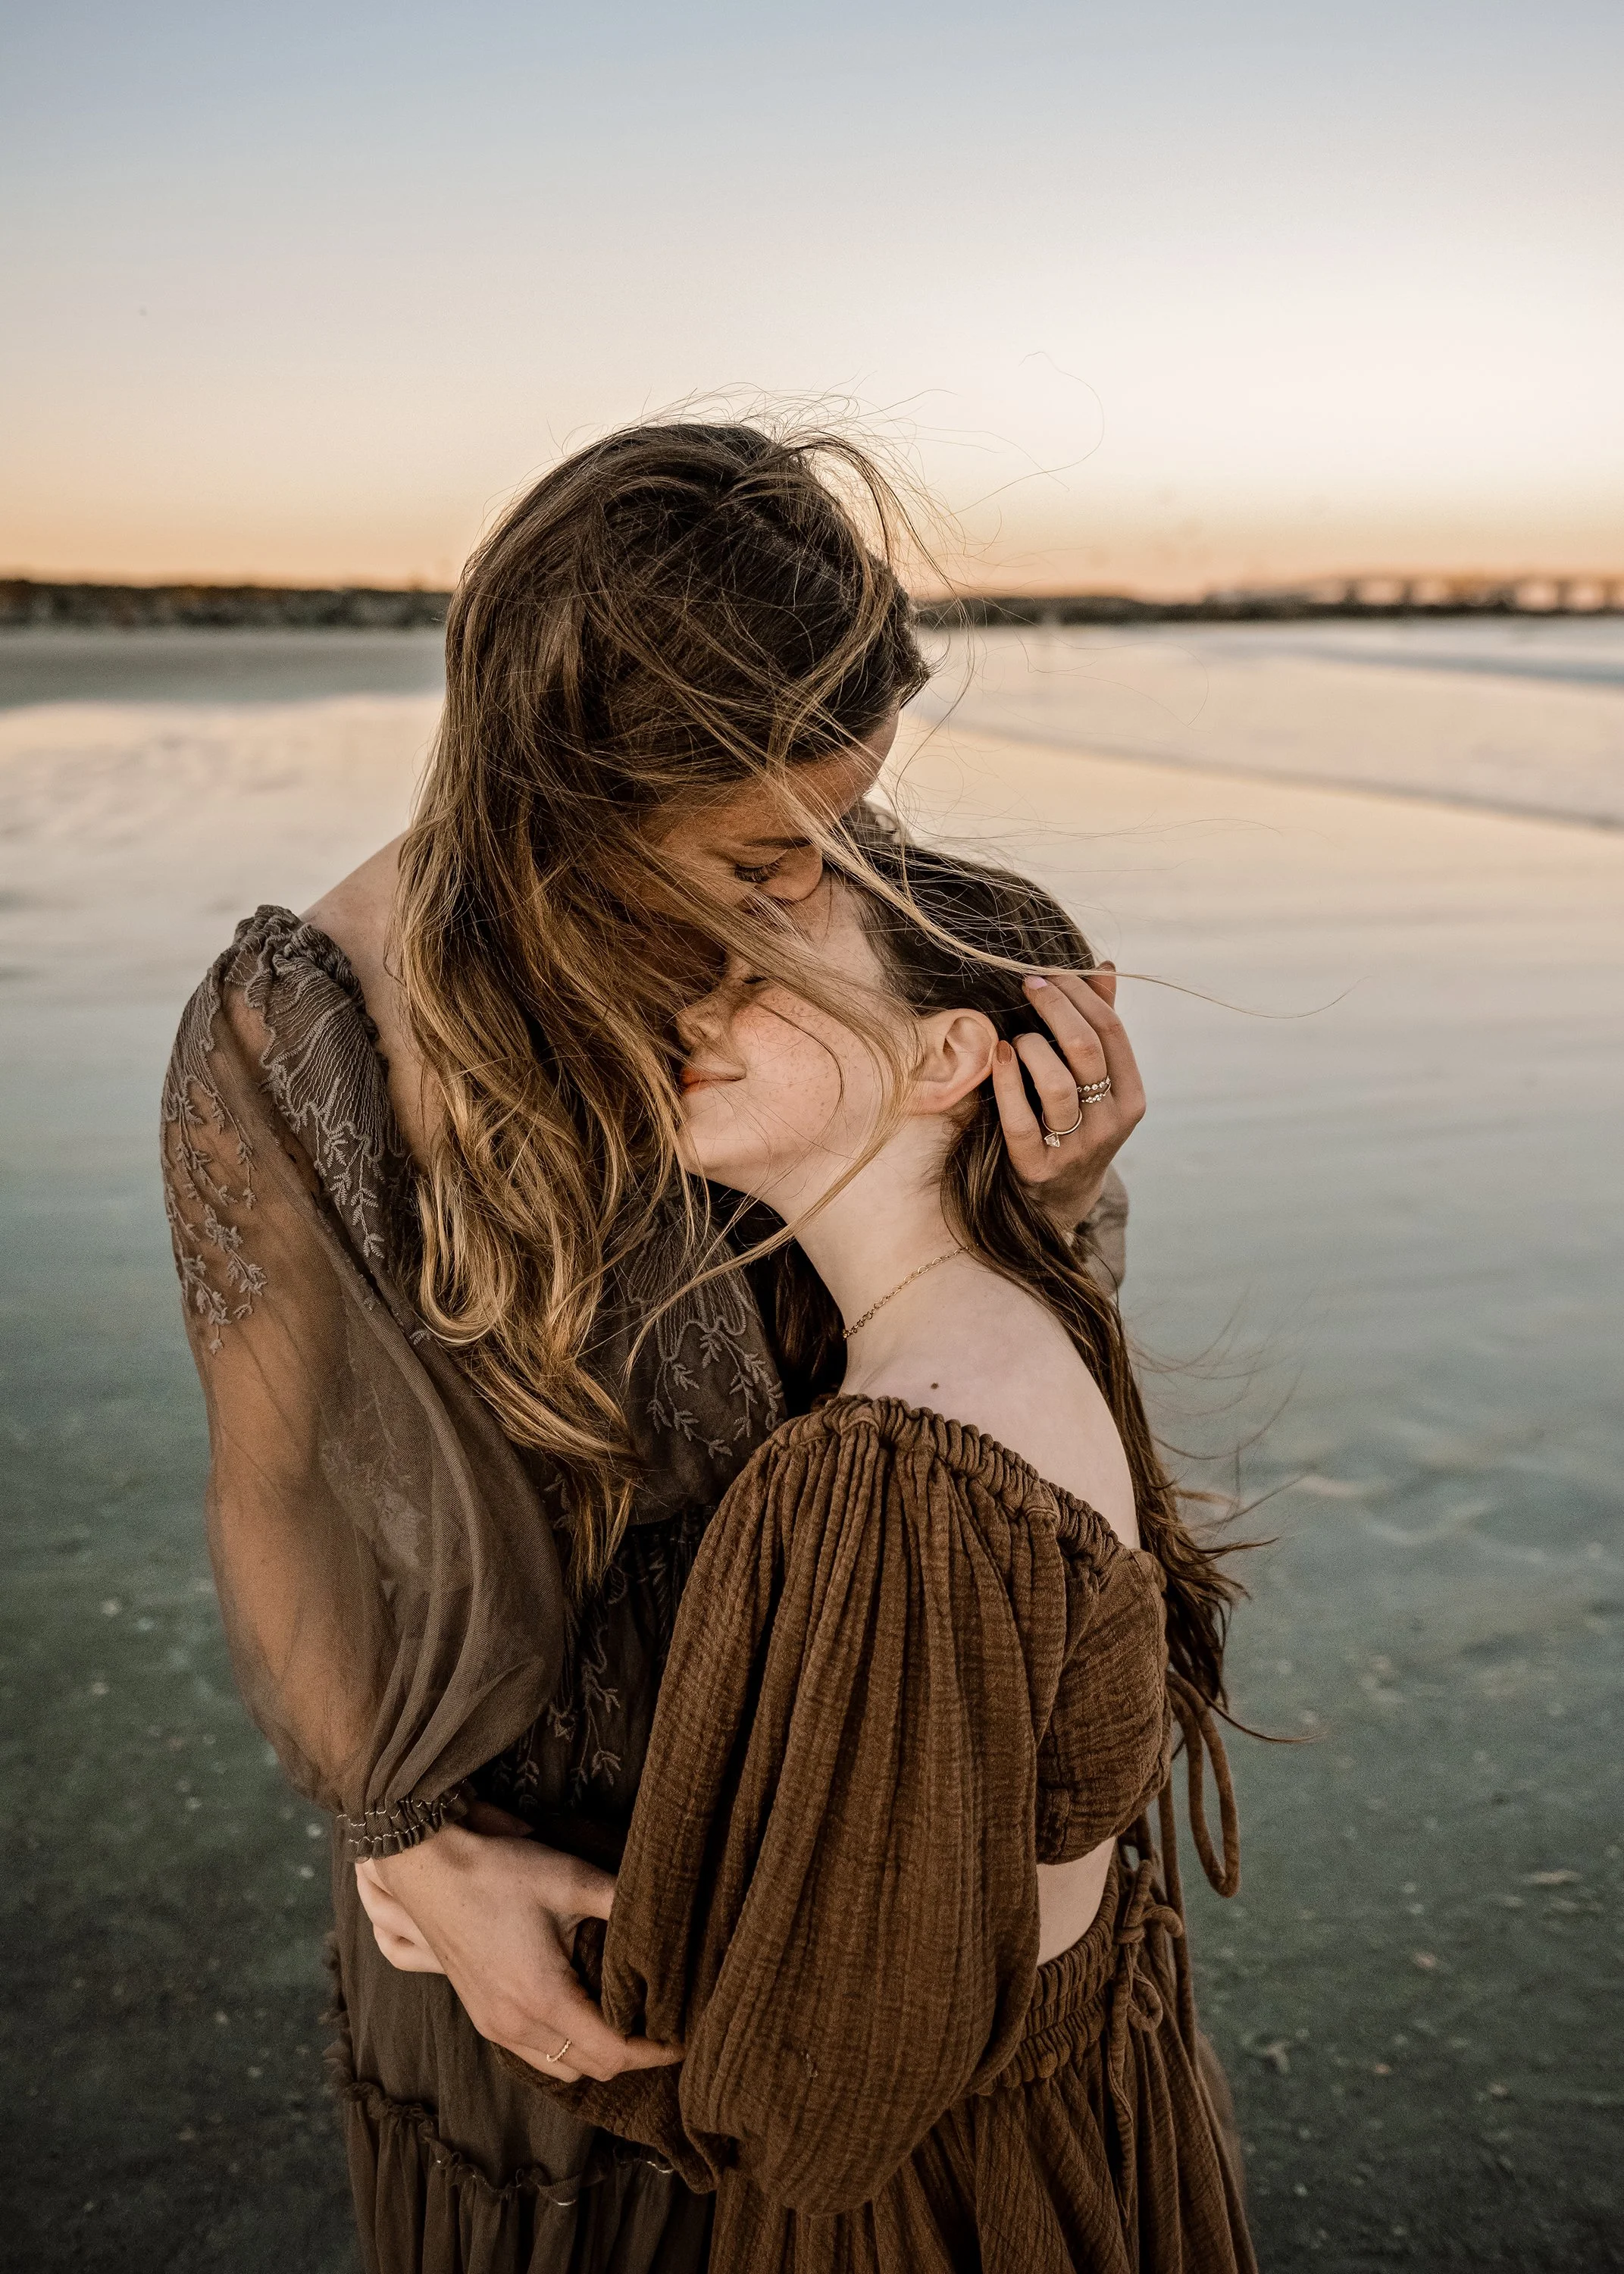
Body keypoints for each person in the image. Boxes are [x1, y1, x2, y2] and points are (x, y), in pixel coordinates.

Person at [160, 421, 1141, 2273]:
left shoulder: (888, 947)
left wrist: (1051, 1204)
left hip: (874, 1827)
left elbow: (1018, 1440)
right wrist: (408, 1840)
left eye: (848, 816)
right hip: (543, 1894)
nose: (817, 880)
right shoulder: (305, 1043)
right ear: (568, 787)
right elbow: (273, 1491)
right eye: (762, 848)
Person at [362, 841, 1251, 2273]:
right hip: (1071, 2112)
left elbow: (832, 2075)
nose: (690, 1013)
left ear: (945, 1055)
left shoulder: (895, 1466)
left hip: (935, 2209)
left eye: (759, 975)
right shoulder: (1023, 1328)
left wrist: (462, 1909)